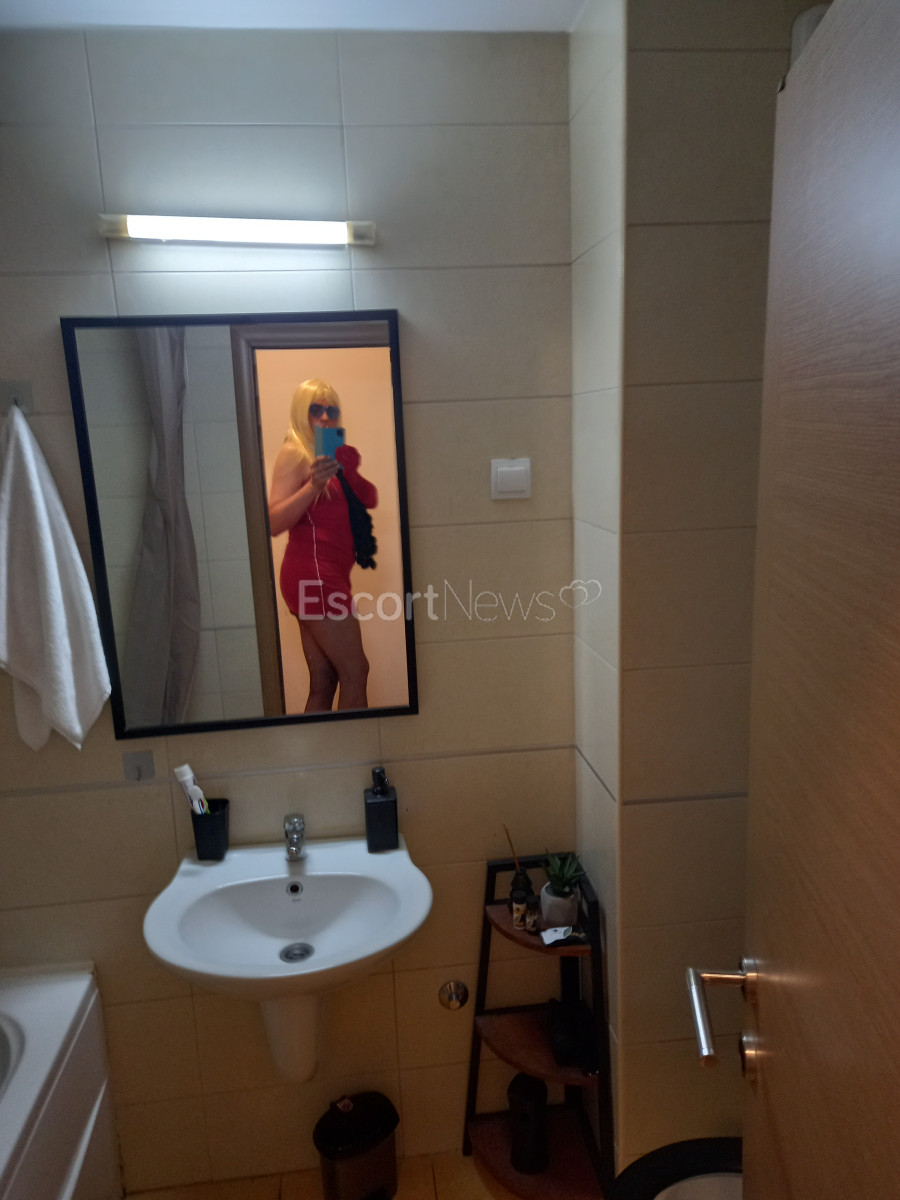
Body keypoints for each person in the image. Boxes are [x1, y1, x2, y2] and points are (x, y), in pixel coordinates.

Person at [267, 379, 377, 712]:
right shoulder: (295, 453)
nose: (326, 417)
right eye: (316, 409)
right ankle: (353, 745)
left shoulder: (331, 458)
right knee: (356, 671)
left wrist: (349, 472)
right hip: (315, 575)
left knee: (325, 679)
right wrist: (313, 486)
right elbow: (272, 522)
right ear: (301, 413)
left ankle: (320, 747)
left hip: (320, 574)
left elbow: (368, 500)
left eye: (332, 410)